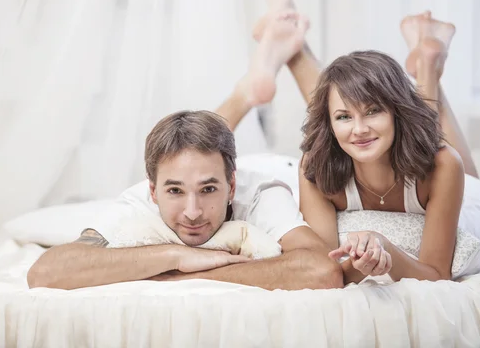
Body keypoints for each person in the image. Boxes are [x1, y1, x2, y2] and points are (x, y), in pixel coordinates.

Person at [220, 0, 480, 284]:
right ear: (330, 123)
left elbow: (437, 276)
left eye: (373, 112)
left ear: (396, 111)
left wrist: (387, 249)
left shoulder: (443, 164)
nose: (358, 129)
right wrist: (363, 262)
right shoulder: (316, 168)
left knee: (428, 138)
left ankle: (428, 70)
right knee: (347, 98)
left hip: (476, 200)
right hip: (389, 141)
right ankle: (424, 62)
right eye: (343, 117)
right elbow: (327, 268)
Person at [27, 108, 344, 290]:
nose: (192, 213)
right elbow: (45, 272)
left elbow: (323, 269)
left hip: (281, 166)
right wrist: (175, 255)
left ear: (230, 186)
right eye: (175, 191)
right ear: (153, 191)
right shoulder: (139, 199)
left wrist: (193, 273)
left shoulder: (262, 194)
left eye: (208, 190)